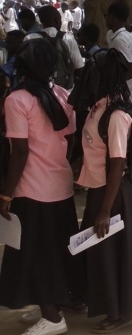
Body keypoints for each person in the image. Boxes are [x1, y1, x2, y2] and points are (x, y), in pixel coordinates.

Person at [0, 38, 82, 335]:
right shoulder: (61, 94)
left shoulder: (16, 100)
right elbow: (70, 139)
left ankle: (53, 316)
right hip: (59, 185)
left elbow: (18, 152)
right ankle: (49, 306)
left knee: (35, 255)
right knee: (56, 251)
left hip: (31, 189)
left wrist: (5, 193)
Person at [76, 49, 132, 333]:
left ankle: (120, 311)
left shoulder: (117, 115)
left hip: (114, 194)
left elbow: (118, 163)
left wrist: (106, 209)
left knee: (113, 253)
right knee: (101, 253)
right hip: (98, 187)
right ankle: (107, 304)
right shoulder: (99, 107)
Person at [105, 2, 132, 102]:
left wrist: (111, 84)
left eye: (106, 16)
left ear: (112, 17)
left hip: (128, 96)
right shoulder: (130, 36)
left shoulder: (119, 40)